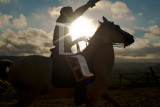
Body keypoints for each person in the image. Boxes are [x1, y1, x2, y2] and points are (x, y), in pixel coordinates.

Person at [51, 0, 100, 106]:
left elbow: (61, 42)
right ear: (66, 14)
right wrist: (88, 5)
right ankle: (80, 98)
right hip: (62, 53)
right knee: (82, 71)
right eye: (71, 13)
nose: (72, 14)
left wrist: (76, 40)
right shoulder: (64, 22)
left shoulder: (62, 23)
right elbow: (79, 12)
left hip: (63, 51)